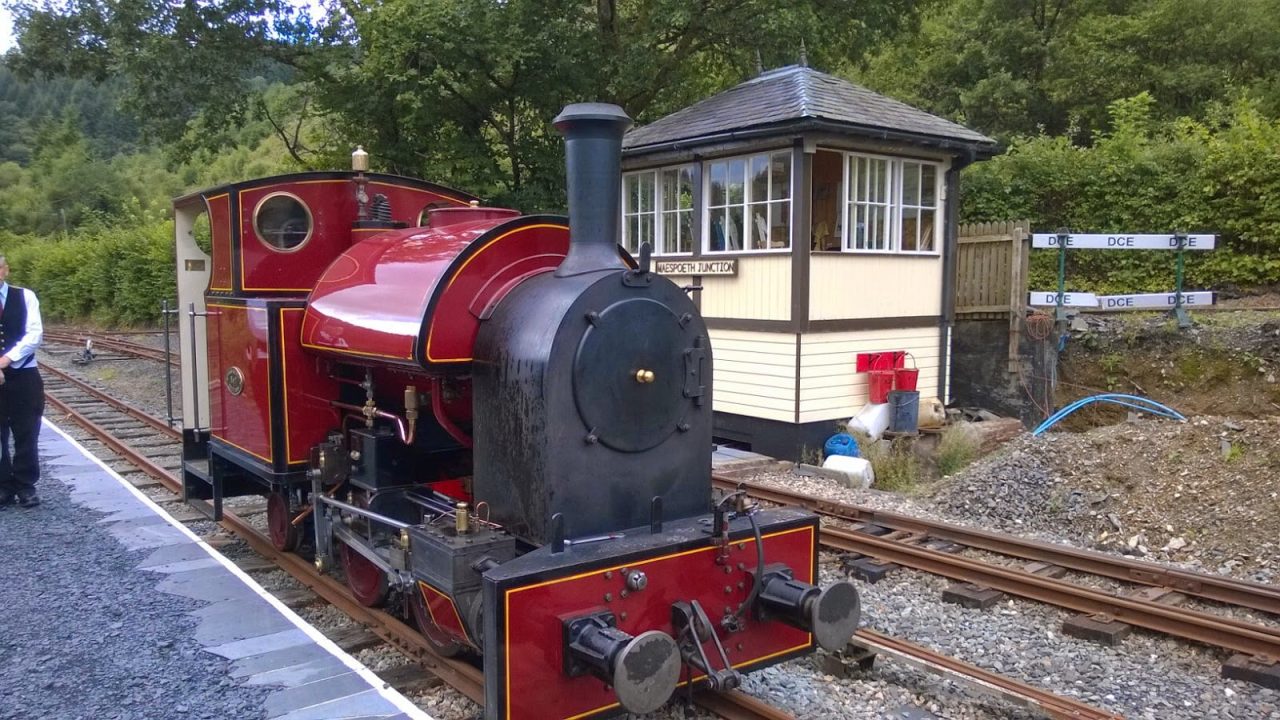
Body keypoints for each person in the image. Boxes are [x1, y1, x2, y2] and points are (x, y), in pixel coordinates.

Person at [0, 255, 43, 508]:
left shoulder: (25, 296)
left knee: (27, 430)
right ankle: (3, 485)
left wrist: (7, 359)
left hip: (24, 374)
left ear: (6, 270)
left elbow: (35, 333)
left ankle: (26, 484)